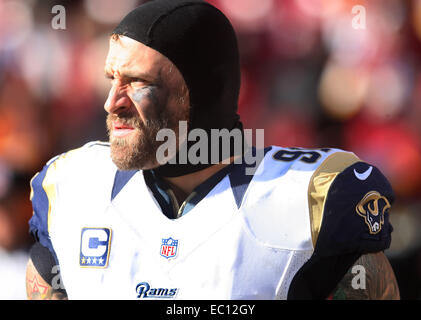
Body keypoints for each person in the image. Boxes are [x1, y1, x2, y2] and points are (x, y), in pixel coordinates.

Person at [26, 0, 399, 300]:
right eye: (112, 79)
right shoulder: (73, 188)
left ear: (199, 93)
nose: (112, 102)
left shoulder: (310, 199)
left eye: (137, 82)